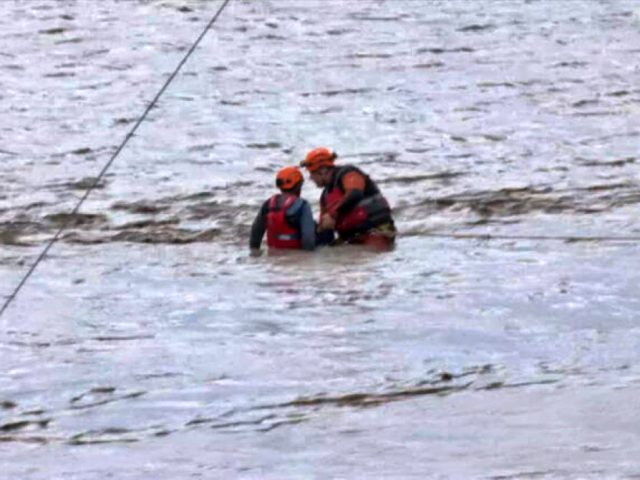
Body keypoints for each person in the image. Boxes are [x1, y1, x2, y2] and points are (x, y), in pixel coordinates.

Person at [300, 147, 396, 250]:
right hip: (350, 238)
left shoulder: (348, 173)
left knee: (366, 253)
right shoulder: (325, 196)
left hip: (377, 230)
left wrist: (333, 214)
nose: (310, 178)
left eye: (312, 173)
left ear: (322, 171)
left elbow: (355, 193)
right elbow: (324, 227)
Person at [249, 166, 317, 253]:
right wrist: (310, 256)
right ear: (298, 186)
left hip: (273, 254)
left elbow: (256, 232)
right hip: (296, 253)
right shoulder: (303, 205)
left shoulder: (268, 204)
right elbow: (308, 238)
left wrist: (254, 254)